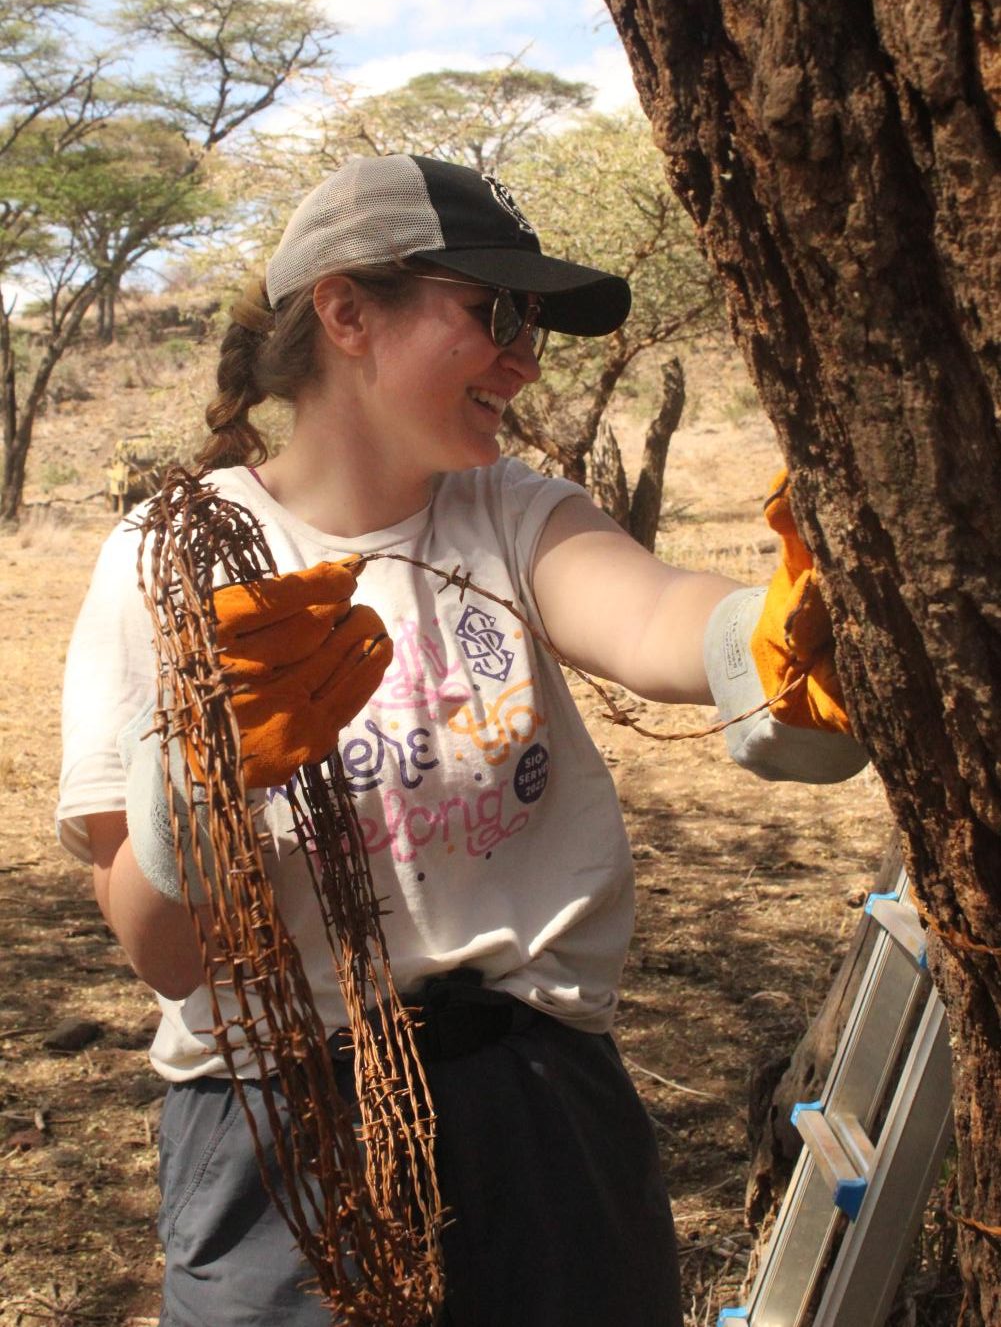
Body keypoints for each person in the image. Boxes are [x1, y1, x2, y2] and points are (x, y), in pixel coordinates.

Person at [57, 154, 867, 1327]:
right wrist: (199, 785)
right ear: (346, 312)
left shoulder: (510, 511)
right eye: (493, 312)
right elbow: (166, 957)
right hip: (283, 1136)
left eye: (532, 322)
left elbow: (643, 612)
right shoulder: (167, 559)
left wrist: (769, 634)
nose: (525, 355)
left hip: (544, 1119)